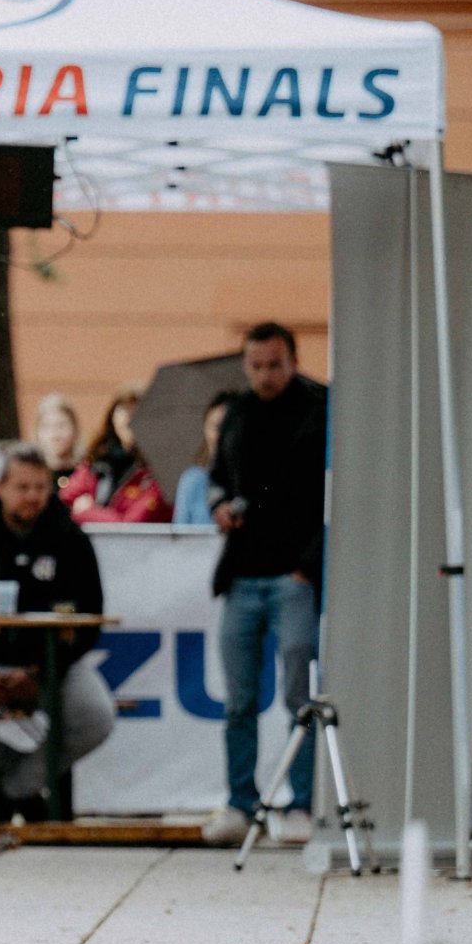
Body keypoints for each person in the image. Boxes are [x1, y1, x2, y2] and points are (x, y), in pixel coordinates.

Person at [0, 444, 113, 823]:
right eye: (23, 487)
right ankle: (17, 781)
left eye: (41, 488)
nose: (32, 497)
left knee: (96, 717)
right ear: (0, 487)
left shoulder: (70, 538)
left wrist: (42, 672)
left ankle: (12, 789)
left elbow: (90, 619)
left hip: (50, 667)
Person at [199, 322, 329, 847]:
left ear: (293, 361)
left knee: (299, 696)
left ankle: (301, 803)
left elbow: (333, 491)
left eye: (274, 364)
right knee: (238, 701)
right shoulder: (237, 413)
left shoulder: (319, 409)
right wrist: (219, 505)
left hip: (293, 573)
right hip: (242, 573)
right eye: (256, 366)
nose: (265, 375)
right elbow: (216, 477)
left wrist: (307, 565)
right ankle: (240, 802)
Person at [61, 384, 171, 523]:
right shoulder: (98, 461)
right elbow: (63, 502)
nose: (129, 417)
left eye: (136, 411)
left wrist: (86, 512)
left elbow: (129, 524)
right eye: (123, 410)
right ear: (112, 417)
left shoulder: (158, 473)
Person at [172, 394, 236, 526]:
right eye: (217, 427)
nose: (222, 436)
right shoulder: (193, 479)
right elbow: (180, 529)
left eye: (229, 428)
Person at [33, 392, 81, 488]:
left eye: (61, 425)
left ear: (75, 429)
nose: (55, 434)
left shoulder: (90, 472)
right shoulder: (31, 476)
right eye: (47, 426)